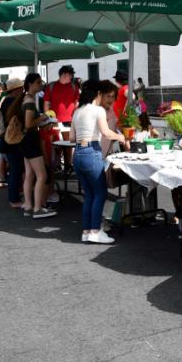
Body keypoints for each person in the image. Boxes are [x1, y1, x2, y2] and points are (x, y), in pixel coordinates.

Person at [71, 81, 125, 244]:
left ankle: (87, 231)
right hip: (92, 152)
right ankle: (96, 231)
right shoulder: (98, 110)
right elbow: (106, 132)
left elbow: (72, 137)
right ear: (99, 94)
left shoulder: (77, 111)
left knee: (89, 195)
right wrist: (120, 137)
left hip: (78, 153)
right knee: (100, 193)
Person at [9, 73, 57, 218]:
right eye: (38, 82)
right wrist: (42, 117)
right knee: (42, 175)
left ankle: (29, 204)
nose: (40, 84)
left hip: (25, 142)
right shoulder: (29, 102)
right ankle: (37, 208)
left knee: (30, 175)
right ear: (30, 84)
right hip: (30, 141)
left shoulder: (25, 99)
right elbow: (29, 123)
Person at [0, 78, 26, 209]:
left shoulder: (5, 101)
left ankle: (15, 195)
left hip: (8, 140)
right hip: (14, 141)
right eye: (21, 88)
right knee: (16, 169)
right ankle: (14, 198)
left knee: (15, 169)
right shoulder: (13, 103)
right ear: (16, 90)